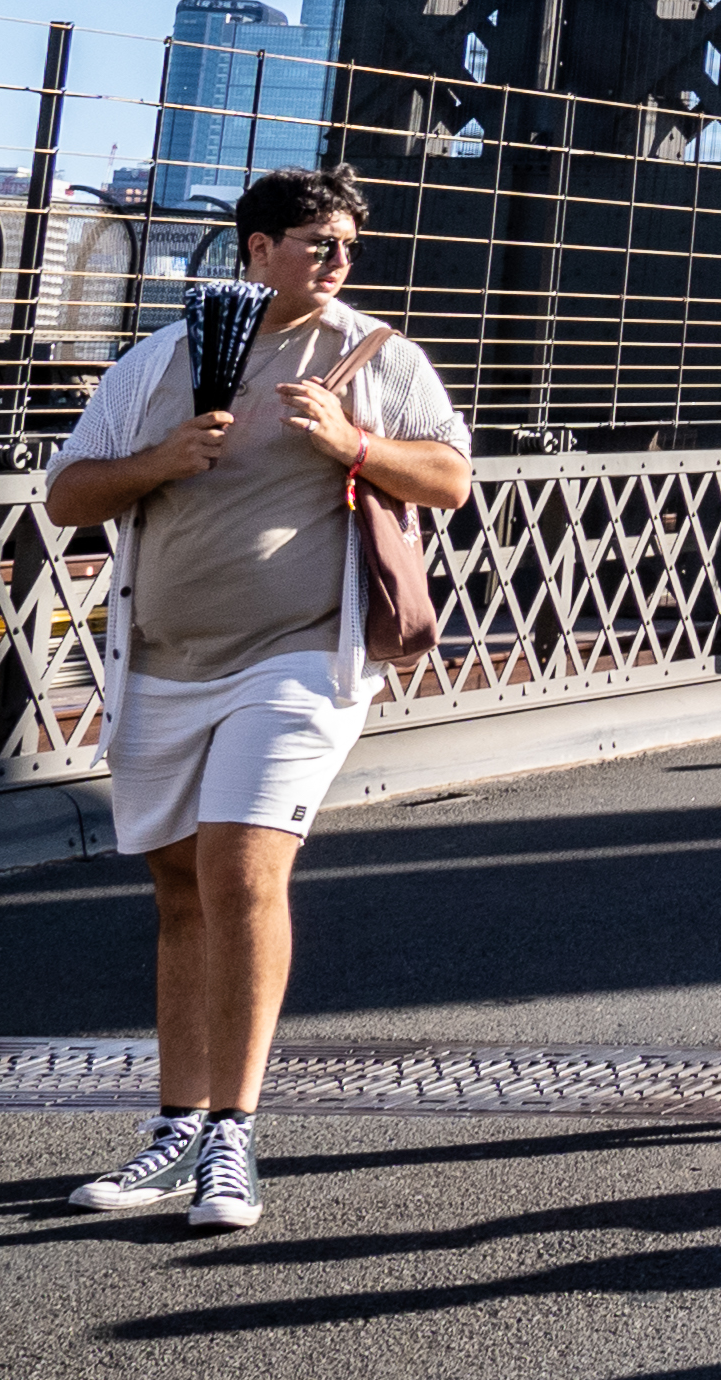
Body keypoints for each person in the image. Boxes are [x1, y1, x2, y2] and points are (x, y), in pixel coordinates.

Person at [42, 165, 473, 1235]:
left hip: (297, 660)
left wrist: (353, 444)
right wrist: (160, 460)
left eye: (345, 246)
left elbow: (452, 478)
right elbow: (66, 492)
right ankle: (176, 1126)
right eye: (315, 242)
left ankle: (233, 1132)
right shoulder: (161, 358)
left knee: (241, 867)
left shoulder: (374, 357)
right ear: (255, 248)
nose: (335, 261)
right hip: (163, 662)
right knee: (181, 891)